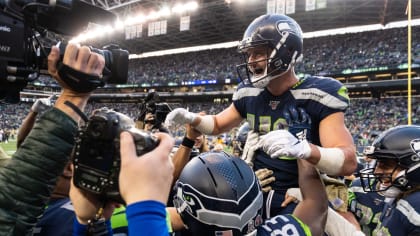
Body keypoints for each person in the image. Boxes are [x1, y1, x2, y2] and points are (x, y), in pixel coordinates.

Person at [165, 13, 357, 216]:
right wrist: (191, 118)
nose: (250, 61)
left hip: (301, 194)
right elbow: (219, 124)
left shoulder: (318, 93)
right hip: (257, 192)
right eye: (248, 54)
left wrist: (305, 149)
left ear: (287, 51)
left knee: (346, 225)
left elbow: (349, 161)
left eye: (258, 53)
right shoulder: (249, 92)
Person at [0, 42, 106, 234]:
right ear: (69, 169)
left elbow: (15, 200)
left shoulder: (66, 211)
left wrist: (73, 96)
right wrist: (74, 96)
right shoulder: (80, 215)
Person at [358, 125, 420, 235]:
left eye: (385, 165)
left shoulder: (415, 206)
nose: (376, 171)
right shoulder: (400, 196)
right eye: (377, 164)